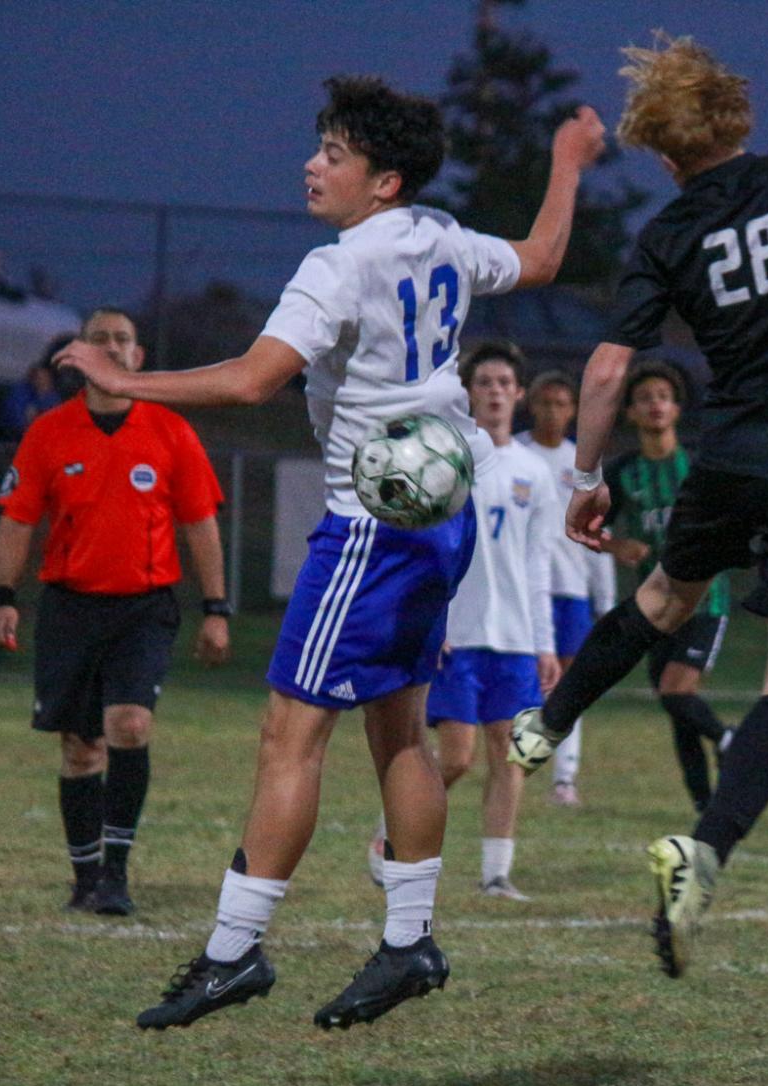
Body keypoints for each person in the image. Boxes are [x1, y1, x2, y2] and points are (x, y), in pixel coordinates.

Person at [53, 76, 604, 1030]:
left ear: (382, 181)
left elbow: (251, 380)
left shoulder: (338, 264)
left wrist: (123, 379)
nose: (313, 164)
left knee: (289, 734)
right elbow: (547, 256)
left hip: (370, 532)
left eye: (335, 154)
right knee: (398, 728)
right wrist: (565, 164)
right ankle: (407, 942)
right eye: (319, 146)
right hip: (441, 517)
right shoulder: (444, 238)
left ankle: (233, 956)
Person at [509, 35, 768, 979]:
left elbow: (612, 364)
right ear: (737, 114)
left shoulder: (663, 236)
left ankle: (545, 723)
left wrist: (587, 477)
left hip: (729, 460)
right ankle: (702, 852)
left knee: (663, 597)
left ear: (663, 153)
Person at [0, 307, 231, 917]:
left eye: (124, 340)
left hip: (144, 609)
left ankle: (116, 876)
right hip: (70, 610)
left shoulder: (171, 431)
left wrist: (215, 608)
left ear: (139, 357)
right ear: (79, 354)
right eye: (101, 339)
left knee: (130, 726)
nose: (114, 348)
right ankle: (84, 876)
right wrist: (3, 598)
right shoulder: (48, 432)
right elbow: (17, 519)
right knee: (80, 749)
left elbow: (200, 523)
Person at [420, 340, 560, 901]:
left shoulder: (535, 472)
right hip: (459, 636)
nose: (496, 392)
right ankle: (390, 836)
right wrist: (433, 625)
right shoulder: (448, 461)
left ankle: (495, 875)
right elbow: (428, 553)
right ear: (469, 393)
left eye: (505, 383)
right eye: (485, 383)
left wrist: (544, 642)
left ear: (519, 394)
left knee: (513, 756)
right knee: (456, 758)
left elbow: (537, 564)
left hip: (515, 638)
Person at [603, 361, 733, 814]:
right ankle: (706, 807)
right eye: (645, 398)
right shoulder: (623, 473)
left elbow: (731, 520)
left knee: (676, 691)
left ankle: (730, 740)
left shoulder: (698, 467)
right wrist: (617, 545)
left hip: (704, 601)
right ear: (631, 414)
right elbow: (586, 528)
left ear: (676, 409)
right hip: (655, 609)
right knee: (678, 713)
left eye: (663, 396)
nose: (655, 404)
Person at [520, 368, 616, 807]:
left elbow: (599, 532)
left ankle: (565, 777)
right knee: (524, 679)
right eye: (546, 403)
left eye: (561, 404)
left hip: (572, 590)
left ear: (573, 410)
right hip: (520, 590)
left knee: (571, 683)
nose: (553, 412)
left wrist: (606, 600)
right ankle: (514, 760)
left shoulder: (583, 462)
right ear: (531, 405)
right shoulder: (515, 453)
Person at [0, 362, 62, 440]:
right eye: (38, 377)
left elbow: (55, 420)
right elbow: (17, 419)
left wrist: (43, 397)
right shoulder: (21, 391)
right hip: (13, 435)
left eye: (45, 378)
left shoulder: (52, 396)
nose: (41, 381)